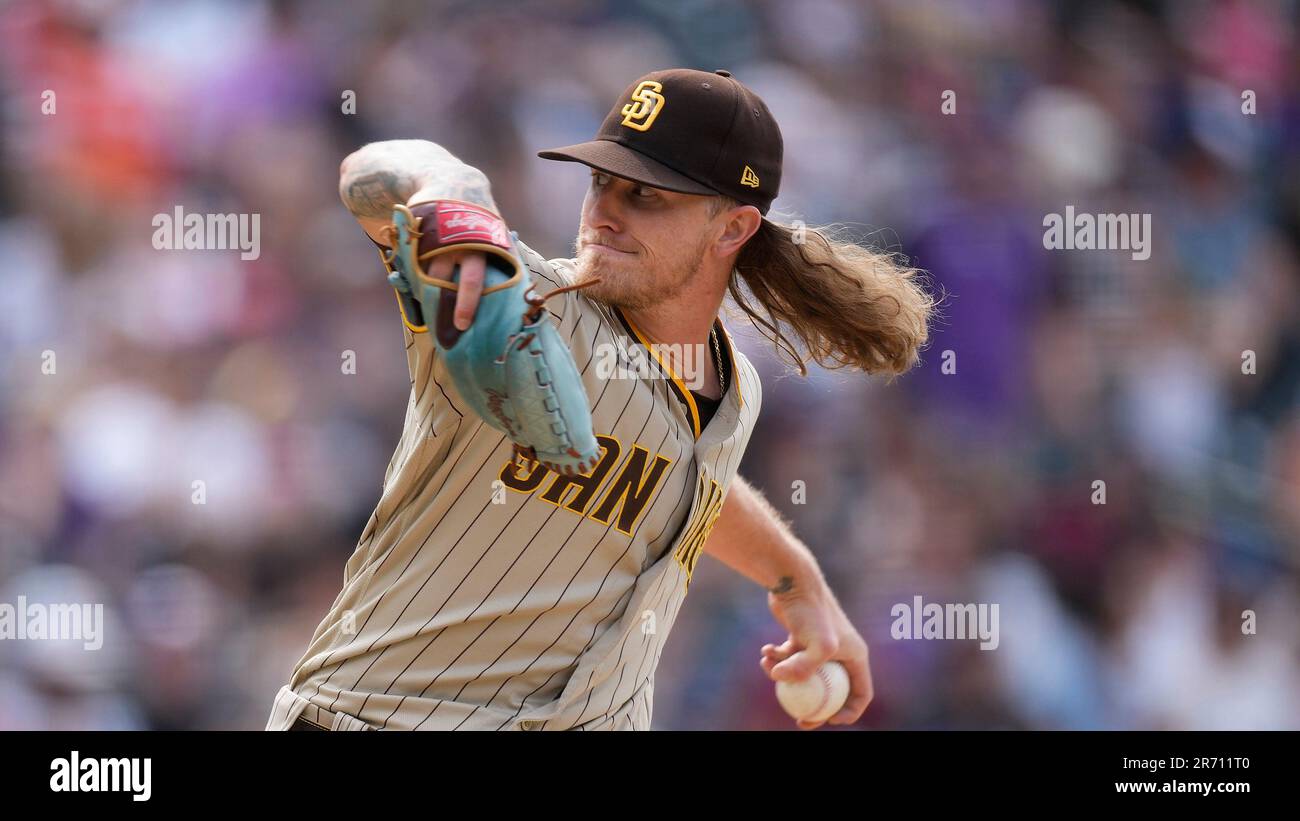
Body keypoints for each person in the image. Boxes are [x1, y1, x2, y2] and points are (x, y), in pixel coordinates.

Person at [266, 68, 933, 731]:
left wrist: (796, 578)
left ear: (732, 229)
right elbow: (372, 171)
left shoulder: (736, 388)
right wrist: (447, 190)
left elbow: (685, 477)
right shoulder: (516, 300)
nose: (604, 212)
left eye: (645, 194)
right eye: (600, 182)